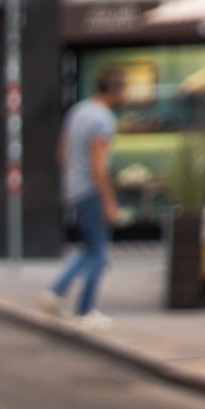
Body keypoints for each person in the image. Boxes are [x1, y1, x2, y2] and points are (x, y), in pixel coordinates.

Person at [44, 65, 125, 327]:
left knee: (89, 247)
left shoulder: (78, 111)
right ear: (115, 90)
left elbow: (61, 153)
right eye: (125, 89)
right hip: (91, 190)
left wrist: (72, 179)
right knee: (99, 253)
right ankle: (85, 310)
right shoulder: (103, 119)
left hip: (74, 188)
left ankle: (56, 291)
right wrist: (109, 201)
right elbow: (98, 166)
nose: (127, 95)